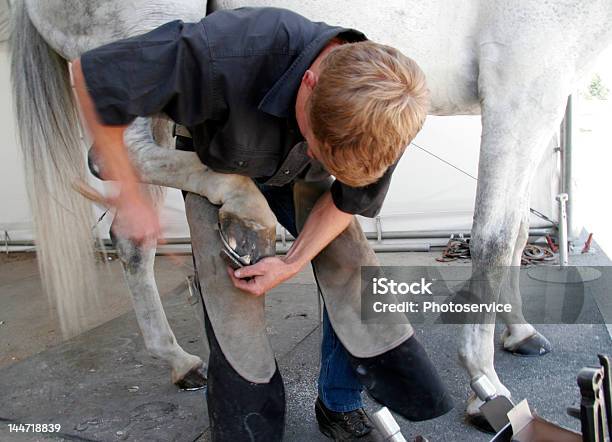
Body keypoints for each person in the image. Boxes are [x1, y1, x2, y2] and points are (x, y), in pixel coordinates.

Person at [72, 7, 452, 441]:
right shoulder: (216, 53)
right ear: (310, 83)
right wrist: (131, 192)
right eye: (317, 144)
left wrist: (292, 262)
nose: (316, 155)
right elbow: (88, 74)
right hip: (216, 155)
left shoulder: (386, 109)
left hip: (296, 163)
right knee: (234, 301)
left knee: (350, 267)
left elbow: (345, 200)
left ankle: (340, 403)